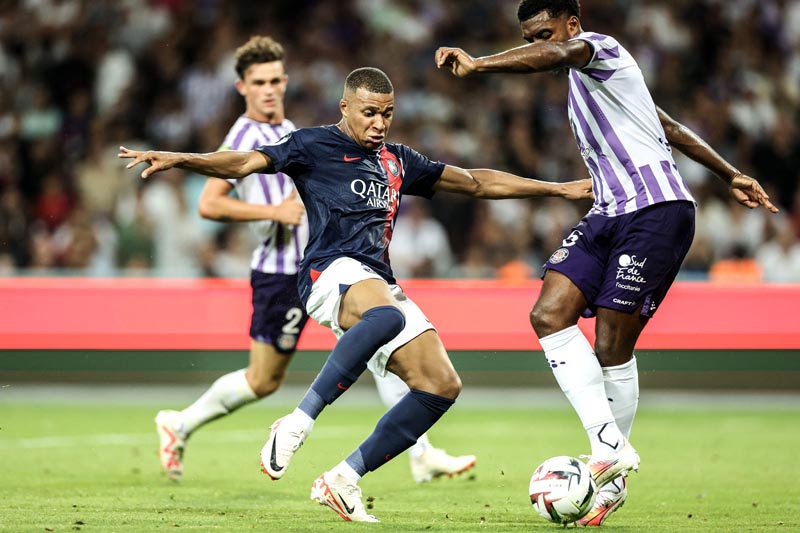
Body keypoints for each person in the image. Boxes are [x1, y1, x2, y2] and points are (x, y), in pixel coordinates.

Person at [121, 66, 592, 522]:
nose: (379, 123)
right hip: (328, 273)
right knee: (384, 318)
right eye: (369, 112)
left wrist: (558, 188)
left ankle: (343, 478)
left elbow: (474, 181)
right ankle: (298, 421)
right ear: (344, 106)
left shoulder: (397, 160)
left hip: (377, 279)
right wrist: (180, 158)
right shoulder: (312, 145)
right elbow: (244, 162)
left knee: (440, 385)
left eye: (387, 113)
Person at [435, 0, 778, 526]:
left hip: (656, 212)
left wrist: (481, 64)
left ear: (572, 24)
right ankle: (609, 446)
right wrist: (730, 171)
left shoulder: (601, 49)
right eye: (530, 37)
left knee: (611, 343)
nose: (539, 46)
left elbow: (563, 54)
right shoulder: (586, 86)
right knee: (548, 314)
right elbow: (668, 126)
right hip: (607, 213)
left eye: (544, 34)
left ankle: (610, 476)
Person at [154, 36, 477, 485]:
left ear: (285, 81)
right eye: (258, 82)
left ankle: (419, 451)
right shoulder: (245, 135)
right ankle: (181, 422)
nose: (268, 90)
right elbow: (210, 204)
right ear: (241, 87)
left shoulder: (296, 129)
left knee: (381, 332)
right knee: (263, 380)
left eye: (274, 80)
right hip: (282, 270)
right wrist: (272, 211)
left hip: (333, 264)